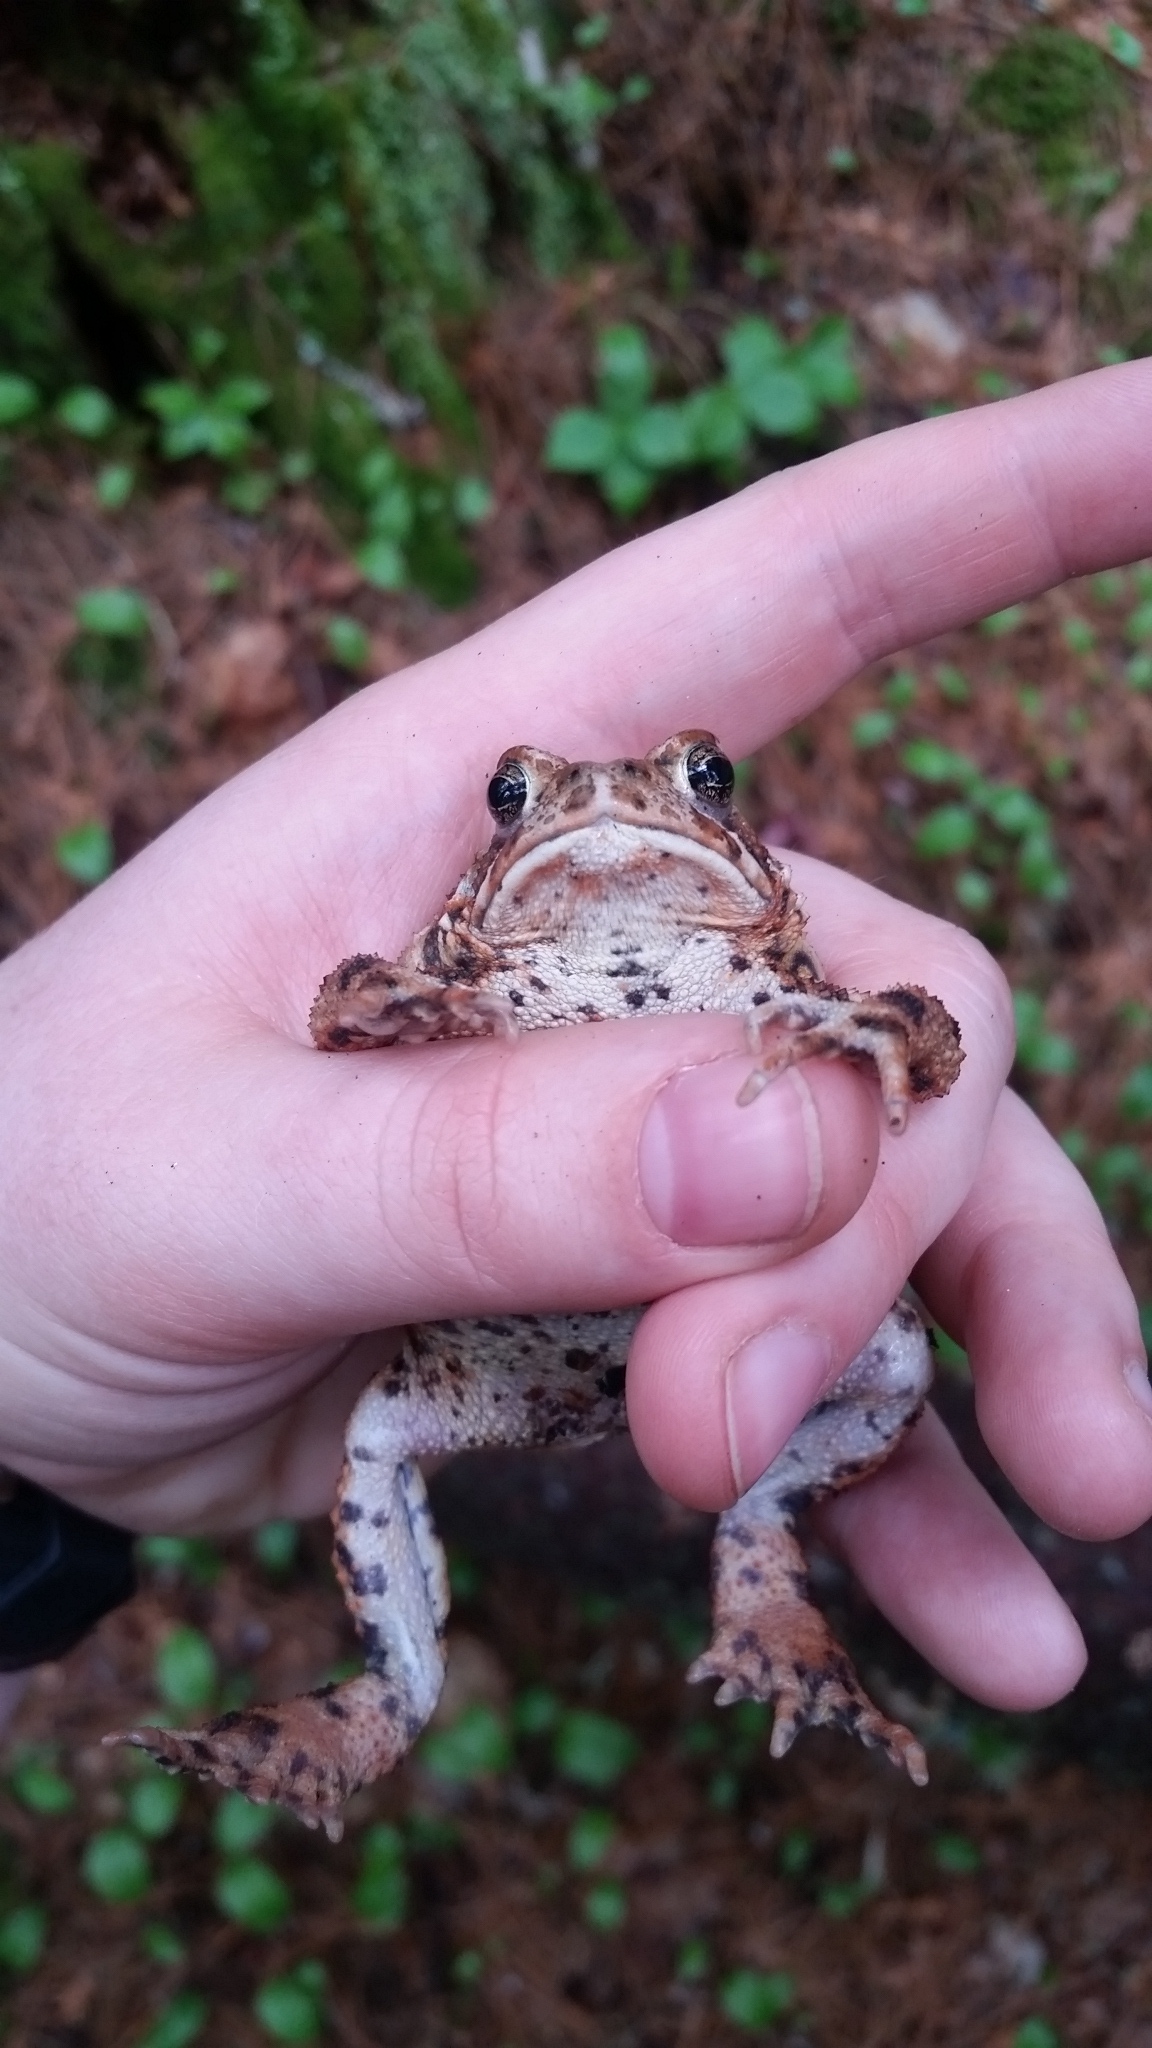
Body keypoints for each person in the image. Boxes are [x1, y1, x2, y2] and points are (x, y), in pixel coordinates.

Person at [1, 363, 1150, 1737]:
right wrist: (431, 1004)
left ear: (733, 823)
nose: (604, 809)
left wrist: (871, 1026)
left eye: (698, 782)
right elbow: (340, 1010)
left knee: (896, 1367)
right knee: (381, 1432)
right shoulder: (465, 961)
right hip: (492, 1362)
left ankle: (759, 1558)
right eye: (520, 797)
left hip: (725, 1339)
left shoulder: (774, 952)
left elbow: (932, 1030)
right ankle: (390, 1699)